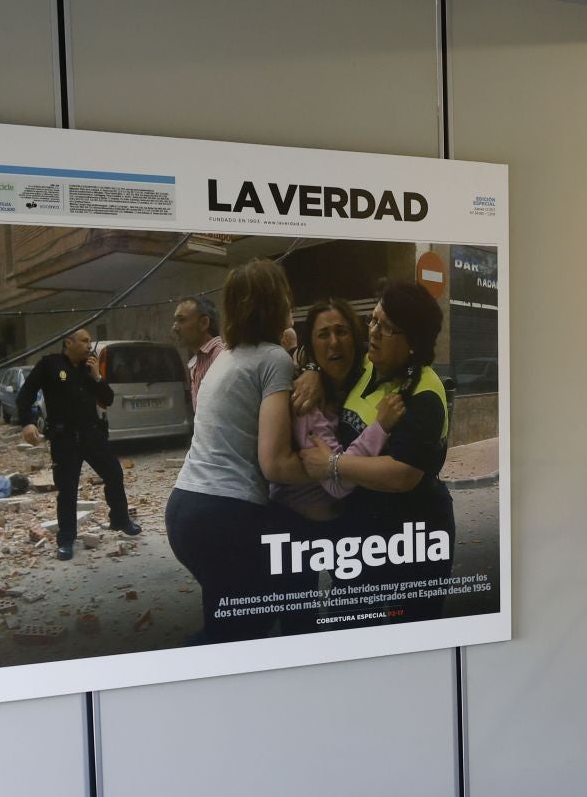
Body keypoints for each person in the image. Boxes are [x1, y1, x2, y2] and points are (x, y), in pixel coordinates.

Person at [165, 259, 310, 642]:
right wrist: (335, 467)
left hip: (185, 510)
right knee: (246, 627)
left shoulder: (227, 357)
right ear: (276, 304)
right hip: (223, 516)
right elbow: (276, 463)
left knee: (228, 625)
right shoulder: (272, 358)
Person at [300, 279, 455, 623]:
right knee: (350, 630)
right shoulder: (370, 365)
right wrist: (311, 371)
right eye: (373, 320)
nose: (373, 332)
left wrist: (332, 465)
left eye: (387, 328)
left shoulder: (424, 393)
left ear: (413, 342)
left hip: (414, 542)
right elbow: (329, 357)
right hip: (361, 539)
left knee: (412, 636)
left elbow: (402, 474)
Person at [15, 328, 141, 561]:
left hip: (92, 435)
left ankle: (120, 519)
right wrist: (27, 422)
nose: (89, 345)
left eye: (90, 341)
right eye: (84, 341)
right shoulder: (50, 365)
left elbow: (108, 399)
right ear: (68, 342)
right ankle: (66, 540)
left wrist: (97, 377)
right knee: (67, 489)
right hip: (65, 439)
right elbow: (26, 394)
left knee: (114, 474)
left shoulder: (88, 368)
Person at [272, 300, 403, 521]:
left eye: (341, 332)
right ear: (311, 347)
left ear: (354, 338)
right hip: (309, 532)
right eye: (323, 335)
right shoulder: (307, 402)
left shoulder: (369, 375)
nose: (334, 342)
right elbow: (337, 483)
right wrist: (380, 427)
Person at [171, 296, 225, 416]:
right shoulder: (197, 362)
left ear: (204, 323)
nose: (174, 327)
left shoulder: (222, 358)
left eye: (182, 320)